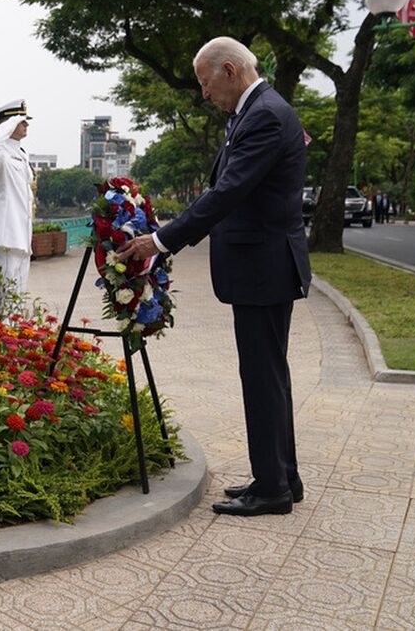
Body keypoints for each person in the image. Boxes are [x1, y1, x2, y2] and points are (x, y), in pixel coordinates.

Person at [117, 37, 311, 517]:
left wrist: (161, 240)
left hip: (263, 267)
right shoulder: (253, 112)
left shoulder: (264, 114)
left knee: (263, 377)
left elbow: (227, 193)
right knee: (269, 375)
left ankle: (273, 490)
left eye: (206, 83)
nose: (203, 93)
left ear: (229, 70)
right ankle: (280, 476)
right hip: (263, 265)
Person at [0, 99, 34, 322]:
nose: (26, 125)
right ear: (9, 124)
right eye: (22, 121)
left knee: (16, 297)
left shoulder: (21, 154)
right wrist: (9, 124)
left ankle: (13, 345)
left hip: (21, 234)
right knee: (0, 296)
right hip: (3, 234)